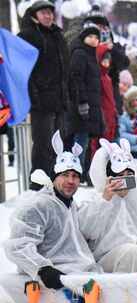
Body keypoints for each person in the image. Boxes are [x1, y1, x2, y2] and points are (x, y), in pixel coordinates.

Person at [4, 131, 101, 289]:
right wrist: (43, 269)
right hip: (55, 279)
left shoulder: (70, 205)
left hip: (81, 272)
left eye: (75, 176)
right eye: (65, 175)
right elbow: (17, 246)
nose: (70, 181)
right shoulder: (38, 206)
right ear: (54, 177)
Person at [77, 138, 137, 273]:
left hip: (136, 251)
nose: (125, 180)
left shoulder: (134, 197)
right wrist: (105, 199)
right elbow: (85, 231)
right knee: (130, 252)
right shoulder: (93, 199)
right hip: (105, 259)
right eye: (120, 176)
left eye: (129, 175)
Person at [18, 1, 71, 190]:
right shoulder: (27, 36)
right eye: (43, 13)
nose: (47, 16)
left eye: (49, 12)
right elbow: (24, 70)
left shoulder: (58, 35)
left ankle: (55, 183)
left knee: (58, 146)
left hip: (59, 100)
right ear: (35, 16)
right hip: (40, 101)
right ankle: (37, 186)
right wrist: (34, 96)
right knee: (43, 145)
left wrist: (68, 95)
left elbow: (66, 68)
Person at [64, 22, 105, 185]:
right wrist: (81, 102)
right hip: (80, 104)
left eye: (96, 37)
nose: (94, 40)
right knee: (80, 140)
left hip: (88, 103)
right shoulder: (80, 53)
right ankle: (75, 173)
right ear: (83, 38)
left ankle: (80, 172)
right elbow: (76, 78)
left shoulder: (90, 54)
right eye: (90, 36)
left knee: (84, 139)